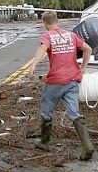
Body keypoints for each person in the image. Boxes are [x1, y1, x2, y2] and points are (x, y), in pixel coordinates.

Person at [25, 10, 94, 160]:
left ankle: (44, 142)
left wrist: (33, 66)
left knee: (46, 110)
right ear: (58, 21)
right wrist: (82, 68)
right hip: (73, 80)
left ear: (45, 24)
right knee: (74, 112)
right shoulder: (71, 35)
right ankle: (87, 145)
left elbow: (42, 49)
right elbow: (88, 49)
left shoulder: (48, 36)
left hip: (56, 81)